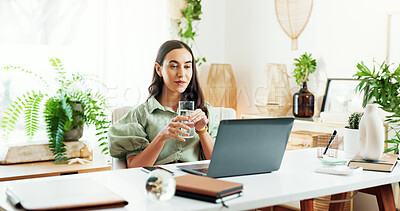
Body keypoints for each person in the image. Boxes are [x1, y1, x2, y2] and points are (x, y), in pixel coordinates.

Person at [108, 40, 219, 168]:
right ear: (159, 69)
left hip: (196, 181)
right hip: (157, 183)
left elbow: (216, 163)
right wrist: (161, 136)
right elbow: (134, 167)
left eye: (187, 67)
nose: (182, 74)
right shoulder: (140, 115)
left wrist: (202, 130)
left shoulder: (205, 110)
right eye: (174, 66)